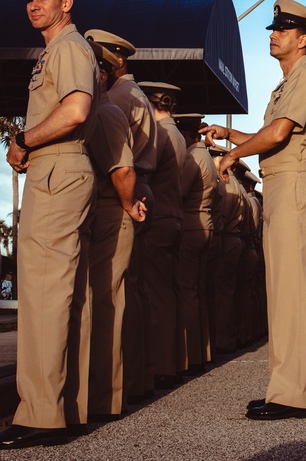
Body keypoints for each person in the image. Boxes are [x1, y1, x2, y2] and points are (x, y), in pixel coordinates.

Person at [0, 0, 98, 451]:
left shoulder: (68, 47)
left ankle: (41, 417)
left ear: (65, 3)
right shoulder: (57, 50)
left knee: (45, 296)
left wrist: (24, 138)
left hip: (57, 170)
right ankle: (63, 409)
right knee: (63, 297)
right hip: (59, 171)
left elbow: (75, 110)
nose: (34, 3)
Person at [200, 0, 306, 420]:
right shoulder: (289, 82)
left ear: (303, 39)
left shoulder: (305, 76)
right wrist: (230, 133)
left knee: (293, 293)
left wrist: (232, 156)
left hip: (293, 186)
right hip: (282, 186)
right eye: (273, 30)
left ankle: (292, 394)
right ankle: (285, 388)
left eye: (282, 30)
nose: (272, 35)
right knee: (283, 293)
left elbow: (276, 134)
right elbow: (268, 133)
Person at [84, 34, 148, 421]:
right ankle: (114, 392)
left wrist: (126, 202)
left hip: (114, 202)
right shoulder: (134, 98)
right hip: (120, 199)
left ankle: (104, 397)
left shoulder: (114, 103)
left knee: (105, 303)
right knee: (118, 300)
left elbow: (122, 167)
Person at [138, 82, 187, 390]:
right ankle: (168, 362)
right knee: (166, 293)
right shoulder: (178, 134)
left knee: (155, 295)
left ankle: (161, 364)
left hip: (160, 216)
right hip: (173, 214)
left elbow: (145, 170)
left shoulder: (162, 133)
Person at [174, 113, 218, 375]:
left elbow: (180, 190)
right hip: (204, 223)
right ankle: (202, 351)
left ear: (187, 135)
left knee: (186, 292)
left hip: (192, 223)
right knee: (197, 293)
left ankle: (190, 355)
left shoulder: (193, 157)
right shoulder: (206, 158)